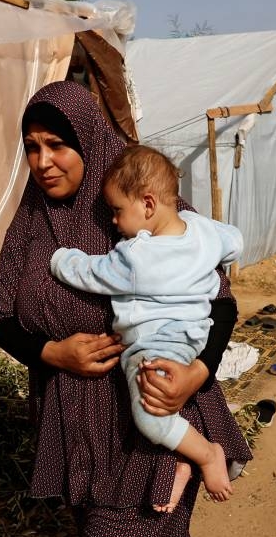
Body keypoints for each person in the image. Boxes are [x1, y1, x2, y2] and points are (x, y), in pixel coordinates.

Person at [0, 80, 251, 537]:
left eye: (57, 145)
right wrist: (52, 352)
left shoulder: (139, 202)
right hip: (73, 430)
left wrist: (196, 373)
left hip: (152, 419)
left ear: (86, 138)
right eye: (32, 147)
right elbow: (2, 319)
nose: (43, 161)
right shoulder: (29, 224)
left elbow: (221, 307)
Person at [50, 144, 243, 512]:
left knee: (150, 418)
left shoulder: (137, 257)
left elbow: (91, 272)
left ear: (148, 205)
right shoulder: (203, 232)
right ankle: (179, 462)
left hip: (154, 345)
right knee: (165, 407)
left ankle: (204, 455)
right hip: (191, 338)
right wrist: (223, 249)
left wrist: (60, 258)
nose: (113, 222)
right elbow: (234, 240)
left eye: (118, 211)